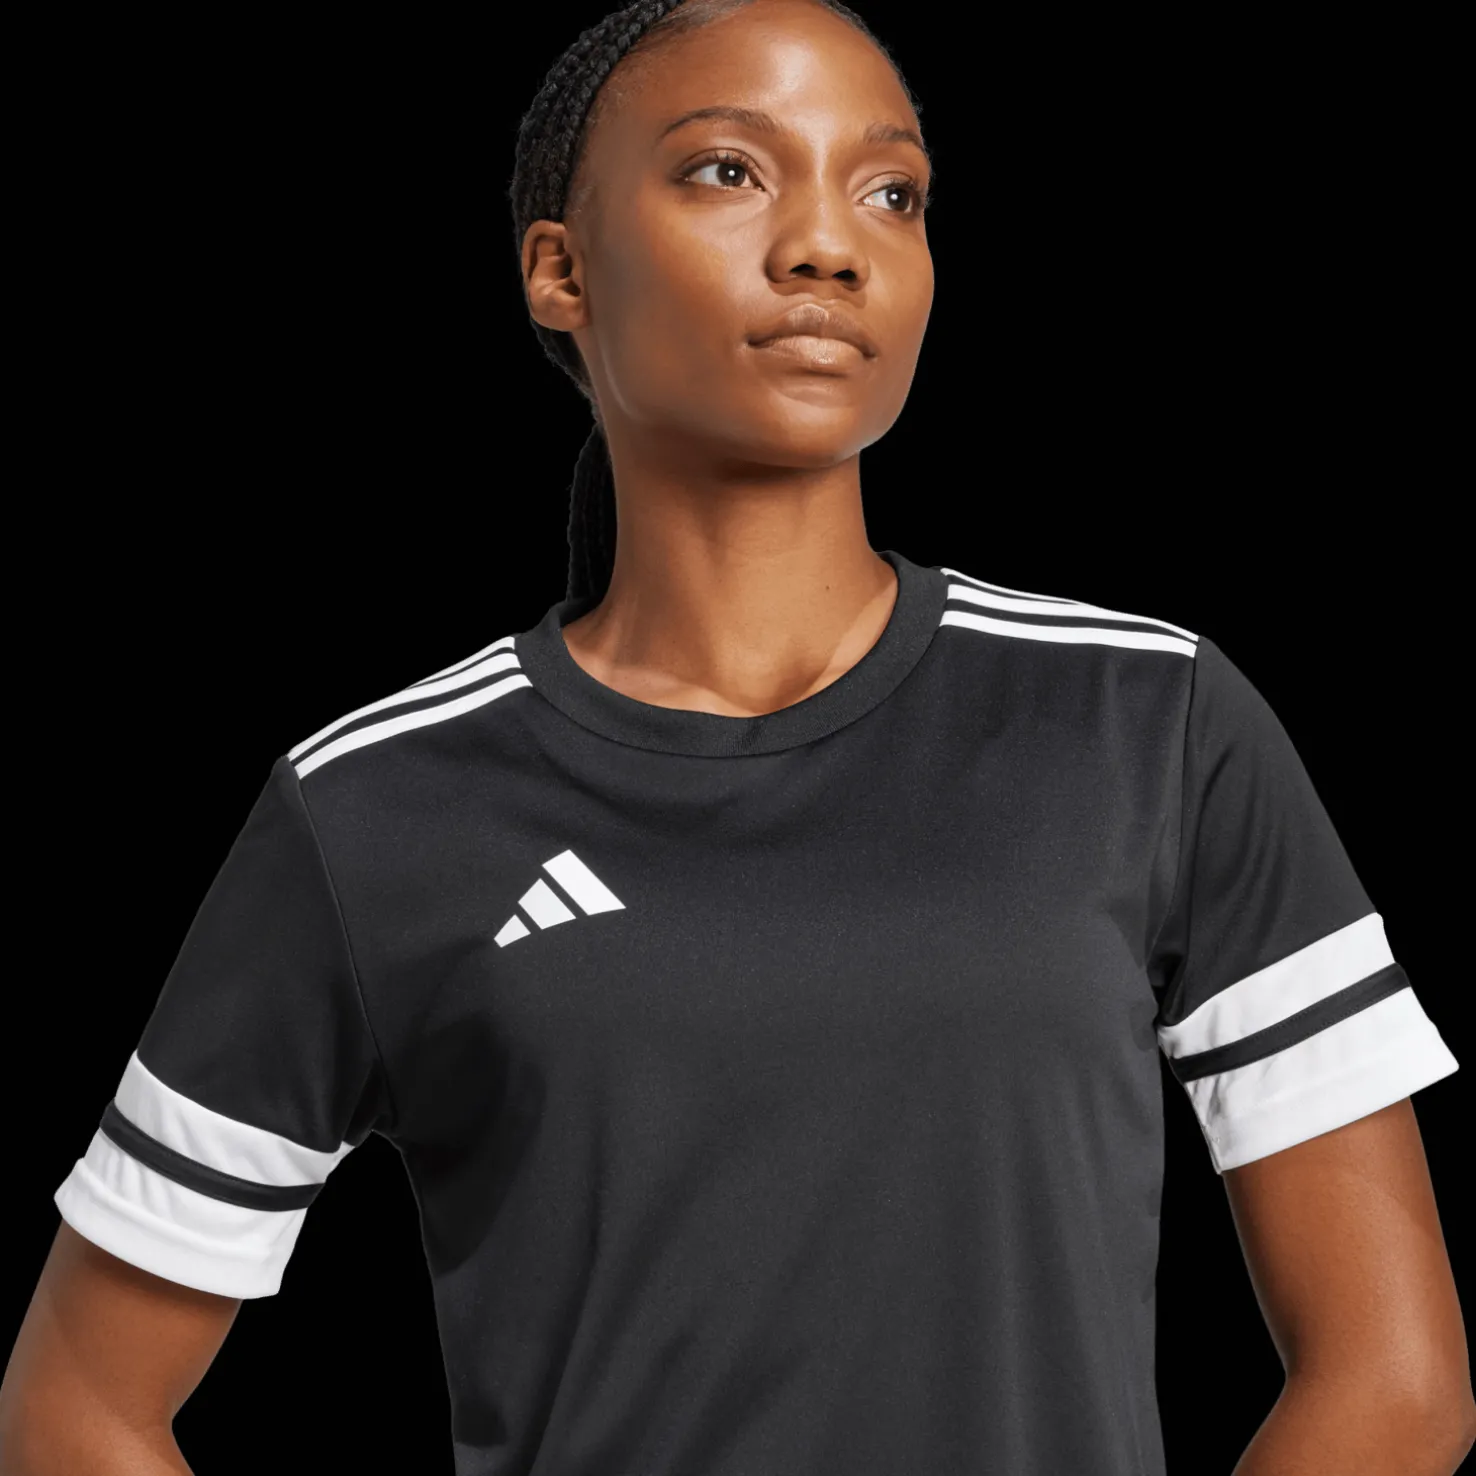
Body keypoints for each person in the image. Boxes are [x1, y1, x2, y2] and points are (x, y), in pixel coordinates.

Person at [2, 1, 1472, 1472]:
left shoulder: (1147, 723)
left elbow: (1395, 1385)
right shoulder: (373, 807)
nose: (829, 245)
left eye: (891, 193)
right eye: (728, 171)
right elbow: (79, 1406)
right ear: (559, 272)